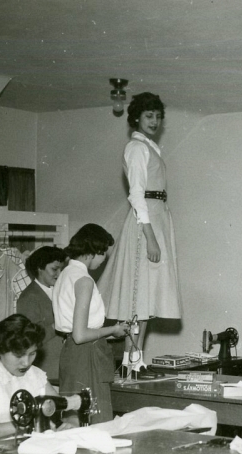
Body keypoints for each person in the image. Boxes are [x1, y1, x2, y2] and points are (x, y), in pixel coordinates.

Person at [98, 92, 181, 370]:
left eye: (157, 116)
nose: (154, 121)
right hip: (144, 223)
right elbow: (135, 195)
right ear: (136, 118)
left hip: (156, 216)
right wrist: (150, 238)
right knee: (137, 298)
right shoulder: (136, 148)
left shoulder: (150, 147)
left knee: (145, 300)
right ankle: (130, 360)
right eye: (148, 116)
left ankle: (135, 360)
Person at [53, 224, 130, 424]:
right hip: (86, 356)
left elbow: (74, 330)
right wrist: (113, 329)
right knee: (95, 420)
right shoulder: (84, 280)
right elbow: (80, 334)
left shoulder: (65, 275)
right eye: (103, 254)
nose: (104, 259)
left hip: (72, 354)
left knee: (74, 420)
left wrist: (112, 334)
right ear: (93, 252)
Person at [0, 314, 64, 439]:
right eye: (18, 355)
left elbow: (61, 407)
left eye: (32, 353)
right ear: (0, 350)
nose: (26, 363)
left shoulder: (34, 374)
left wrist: (70, 420)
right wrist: (23, 424)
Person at [16, 246, 67, 382]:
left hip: (63, 368)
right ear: (40, 268)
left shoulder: (58, 291)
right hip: (46, 371)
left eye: (61, 269)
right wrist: (57, 324)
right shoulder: (29, 297)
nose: (59, 273)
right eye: (54, 269)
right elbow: (31, 338)